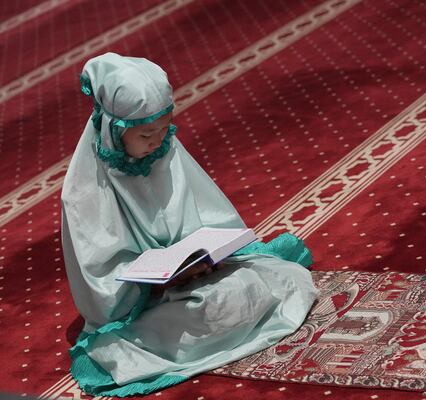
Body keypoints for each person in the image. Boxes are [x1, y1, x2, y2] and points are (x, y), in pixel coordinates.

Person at [61, 52, 318, 397]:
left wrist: (203, 259)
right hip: (144, 302)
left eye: (163, 130)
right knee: (204, 314)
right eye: (145, 135)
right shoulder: (83, 193)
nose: (157, 142)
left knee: (253, 285)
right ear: (112, 131)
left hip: (198, 278)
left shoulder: (165, 150)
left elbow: (206, 216)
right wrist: (154, 281)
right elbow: (101, 274)